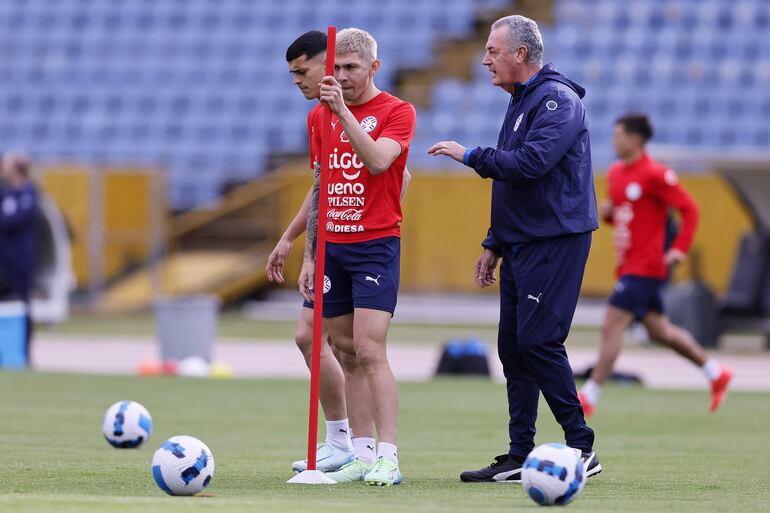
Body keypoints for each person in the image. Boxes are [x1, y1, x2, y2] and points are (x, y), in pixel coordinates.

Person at [428, 15, 601, 482]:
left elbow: (530, 164)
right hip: (522, 241)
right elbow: (514, 187)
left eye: (492, 50)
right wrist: (495, 242)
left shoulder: (557, 100)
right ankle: (520, 453)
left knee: (539, 341)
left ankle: (581, 445)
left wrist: (471, 155)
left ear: (520, 54)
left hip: (555, 239)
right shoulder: (523, 100)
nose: (484, 59)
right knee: (513, 348)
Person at [269, 31, 412, 475]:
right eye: (337, 68)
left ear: (373, 67)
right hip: (334, 247)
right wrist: (308, 253)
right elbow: (322, 187)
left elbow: (378, 161)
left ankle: (388, 457)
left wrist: (343, 113)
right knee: (346, 351)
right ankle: (359, 453)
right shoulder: (318, 117)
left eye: (352, 68)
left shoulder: (396, 111)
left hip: (374, 246)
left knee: (370, 349)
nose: (343, 76)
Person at [577, 113, 733, 417]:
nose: (614, 140)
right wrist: (608, 214)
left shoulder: (655, 173)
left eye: (619, 135)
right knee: (661, 331)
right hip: (628, 265)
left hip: (646, 266)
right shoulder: (617, 172)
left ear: (635, 139)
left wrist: (679, 249)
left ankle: (589, 395)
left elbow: (690, 209)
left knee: (612, 323)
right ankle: (716, 372)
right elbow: (624, 216)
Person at [0, 152, 39, 364]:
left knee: (23, 306)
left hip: (20, 262)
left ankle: (24, 352)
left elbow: (15, 221)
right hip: (4, 262)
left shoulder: (28, 192)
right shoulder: (5, 193)